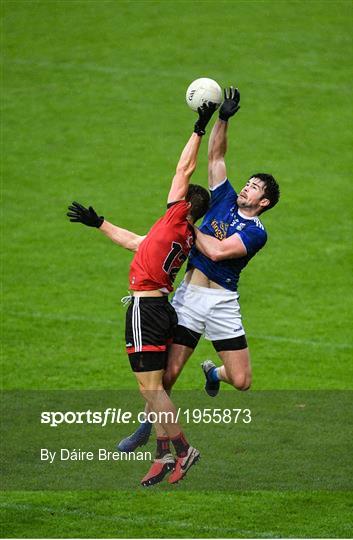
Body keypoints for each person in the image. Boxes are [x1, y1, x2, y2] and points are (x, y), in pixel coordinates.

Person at [118, 86, 280, 451]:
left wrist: (183, 218)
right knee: (169, 375)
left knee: (241, 380)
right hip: (190, 298)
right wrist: (222, 118)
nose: (248, 187)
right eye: (249, 182)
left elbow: (220, 251)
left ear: (263, 202)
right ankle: (145, 427)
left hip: (222, 304)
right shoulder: (224, 196)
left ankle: (212, 372)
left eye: (255, 188)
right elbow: (217, 156)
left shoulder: (256, 232)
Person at [66, 101, 216, 486]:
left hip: (144, 309)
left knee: (150, 388)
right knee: (149, 387)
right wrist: (98, 223)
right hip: (160, 309)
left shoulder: (174, 217)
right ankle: (163, 455)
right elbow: (136, 242)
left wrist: (199, 127)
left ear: (183, 205)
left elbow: (184, 168)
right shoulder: (178, 236)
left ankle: (183, 450)